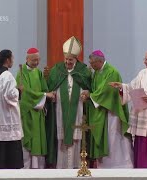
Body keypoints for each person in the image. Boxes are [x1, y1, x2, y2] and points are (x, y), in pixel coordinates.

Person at [81, 50, 133, 168]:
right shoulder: (97, 72)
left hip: (112, 112)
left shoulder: (111, 72)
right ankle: (104, 165)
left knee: (113, 138)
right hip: (101, 109)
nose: (91, 66)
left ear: (100, 61)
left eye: (93, 63)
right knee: (107, 138)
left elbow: (106, 91)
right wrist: (89, 94)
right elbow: (96, 90)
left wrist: (91, 95)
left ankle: (119, 165)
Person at [45, 36, 91, 169]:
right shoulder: (57, 69)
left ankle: (77, 165)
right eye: (66, 59)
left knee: (76, 136)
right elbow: (51, 86)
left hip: (78, 108)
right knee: (62, 136)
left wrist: (86, 93)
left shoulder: (83, 70)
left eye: (70, 59)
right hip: (60, 108)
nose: (67, 62)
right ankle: (62, 167)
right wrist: (52, 94)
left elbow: (88, 86)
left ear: (76, 59)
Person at [16, 48, 55, 169]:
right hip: (28, 112)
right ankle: (27, 169)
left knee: (38, 140)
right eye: (34, 60)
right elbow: (25, 93)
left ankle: (38, 169)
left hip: (38, 112)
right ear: (27, 59)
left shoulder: (38, 72)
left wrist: (48, 92)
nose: (36, 62)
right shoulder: (21, 73)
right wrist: (44, 95)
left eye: (38, 60)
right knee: (29, 139)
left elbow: (45, 89)